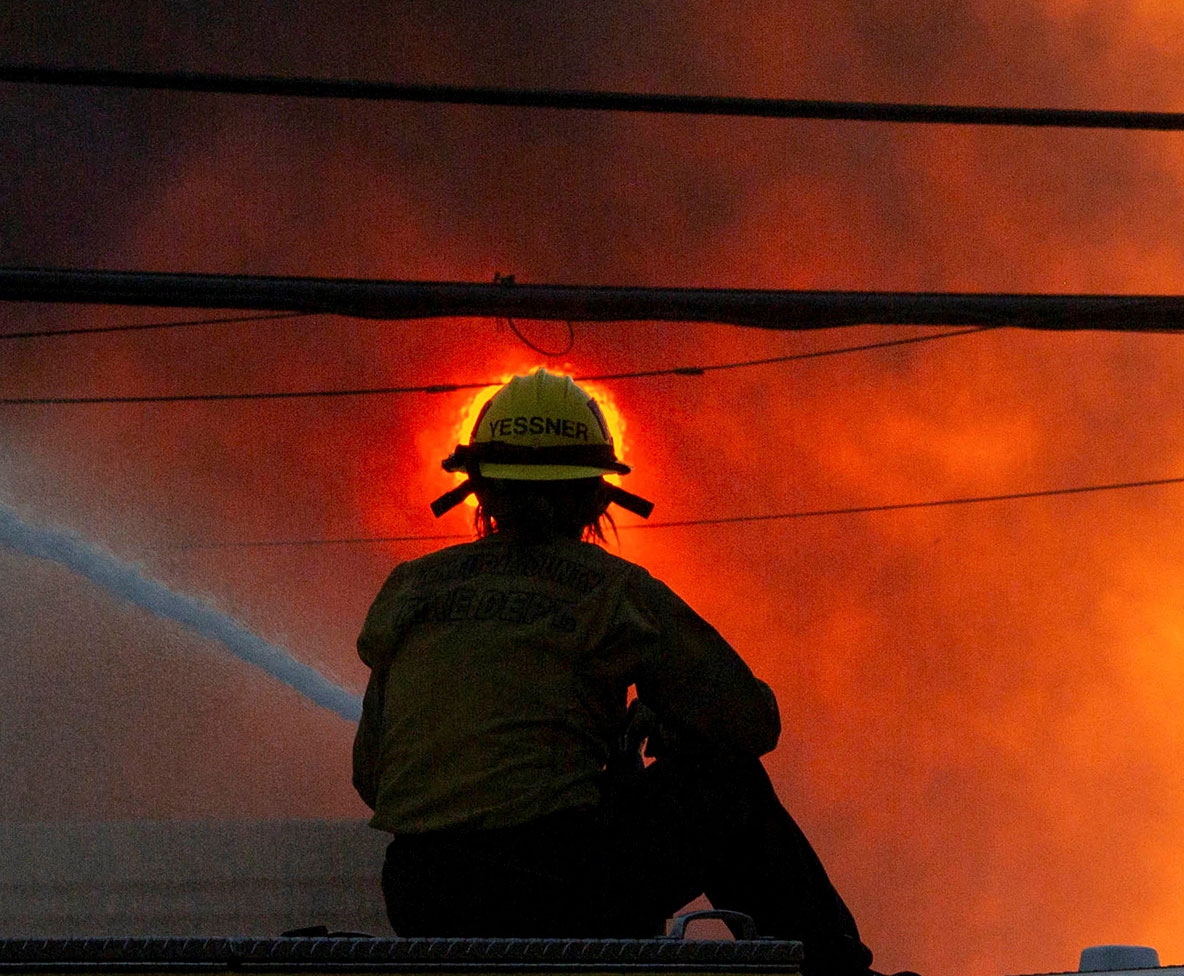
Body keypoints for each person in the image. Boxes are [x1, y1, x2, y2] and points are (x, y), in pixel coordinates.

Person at [353, 370, 879, 976]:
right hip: (560, 892)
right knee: (724, 783)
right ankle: (839, 975)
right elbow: (750, 722)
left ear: (479, 491)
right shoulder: (616, 593)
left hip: (423, 896)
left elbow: (372, 777)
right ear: (598, 496)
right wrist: (673, 721)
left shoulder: (411, 590)